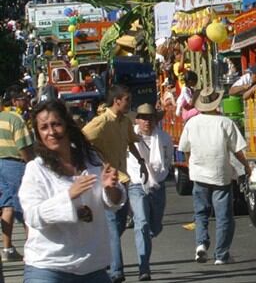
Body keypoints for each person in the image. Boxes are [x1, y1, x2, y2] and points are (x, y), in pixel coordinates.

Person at [19, 100, 126, 283]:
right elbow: (32, 216)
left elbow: (112, 202)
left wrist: (111, 188)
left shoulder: (91, 160)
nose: (51, 132)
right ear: (38, 134)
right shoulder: (36, 169)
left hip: (91, 266)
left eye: (56, 124)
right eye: (44, 127)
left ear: (67, 126)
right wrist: (68, 195)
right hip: (49, 267)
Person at [82, 85, 148, 283]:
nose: (129, 103)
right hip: (107, 182)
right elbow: (82, 140)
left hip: (123, 180)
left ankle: (107, 258)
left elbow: (129, 142)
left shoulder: (125, 122)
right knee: (111, 227)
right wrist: (97, 161)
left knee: (118, 226)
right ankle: (117, 272)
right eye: (127, 99)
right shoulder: (101, 122)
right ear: (117, 100)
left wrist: (141, 161)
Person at [178, 87, 251, 266]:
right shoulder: (225, 123)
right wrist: (247, 166)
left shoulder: (192, 123)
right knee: (223, 216)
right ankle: (221, 254)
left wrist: (191, 165)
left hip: (199, 174)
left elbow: (185, 149)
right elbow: (238, 150)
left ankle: (201, 244)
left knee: (201, 213)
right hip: (220, 175)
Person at [126, 104, 173, 281]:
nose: (147, 121)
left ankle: (149, 236)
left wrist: (161, 174)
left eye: (150, 118)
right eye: (143, 118)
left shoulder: (163, 138)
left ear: (155, 120)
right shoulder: (130, 136)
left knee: (155, 225)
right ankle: (143, 267)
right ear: (137, 119)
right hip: (136, 184)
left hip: (157, 185)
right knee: (142, 223)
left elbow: (167, 159)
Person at [0, 90, 34, 263]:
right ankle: (31, 249)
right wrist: (32, 164)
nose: (27, 100)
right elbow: (23, 146)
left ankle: (7, 248)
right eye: (24, 98)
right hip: (15, 164)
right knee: (24, 207)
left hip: (0, 165)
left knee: (7, 206)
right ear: (14, 101)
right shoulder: (15, 119)